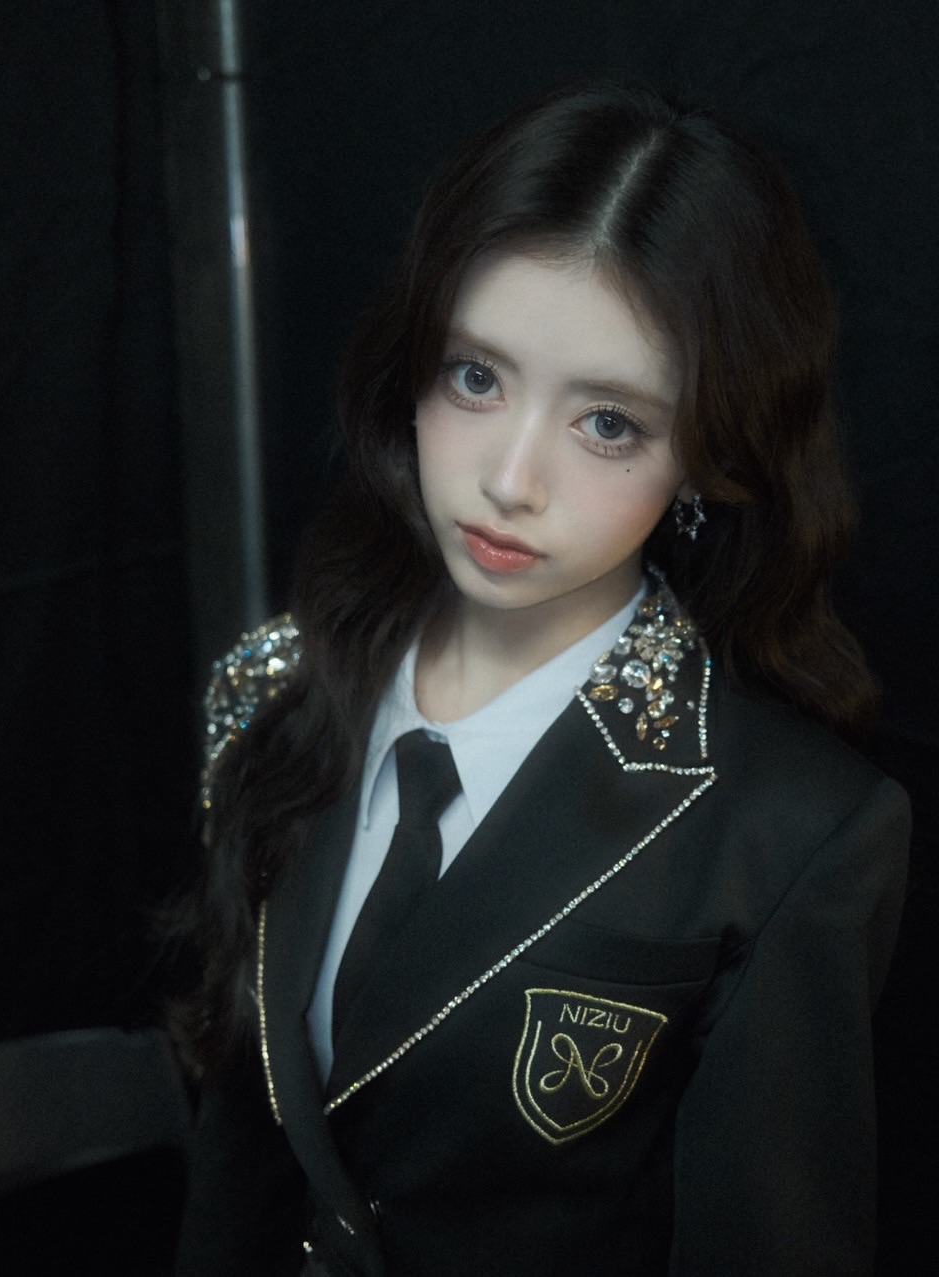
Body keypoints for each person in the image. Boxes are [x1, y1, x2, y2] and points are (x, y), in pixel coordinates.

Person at [172, 82, 909, 1276]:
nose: (511, 479)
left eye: (609, 422)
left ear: (706, 456)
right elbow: (238, 1161)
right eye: (476, 376)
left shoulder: (791, 830)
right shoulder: (274, 689)